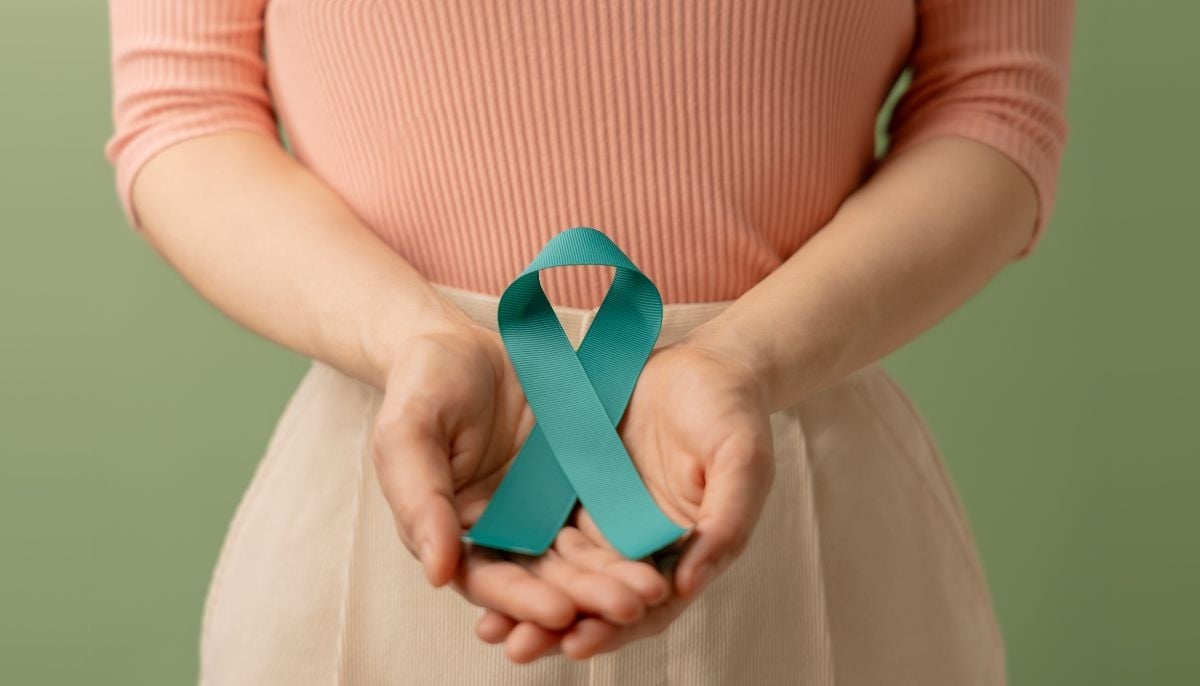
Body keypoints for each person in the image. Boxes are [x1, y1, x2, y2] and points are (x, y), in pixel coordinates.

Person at [104, 1, 1074, 684]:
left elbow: (992, 100)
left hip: (787, 473)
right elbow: (183, 101)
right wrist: (411, 339)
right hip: (404, 462)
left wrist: (746, 358)